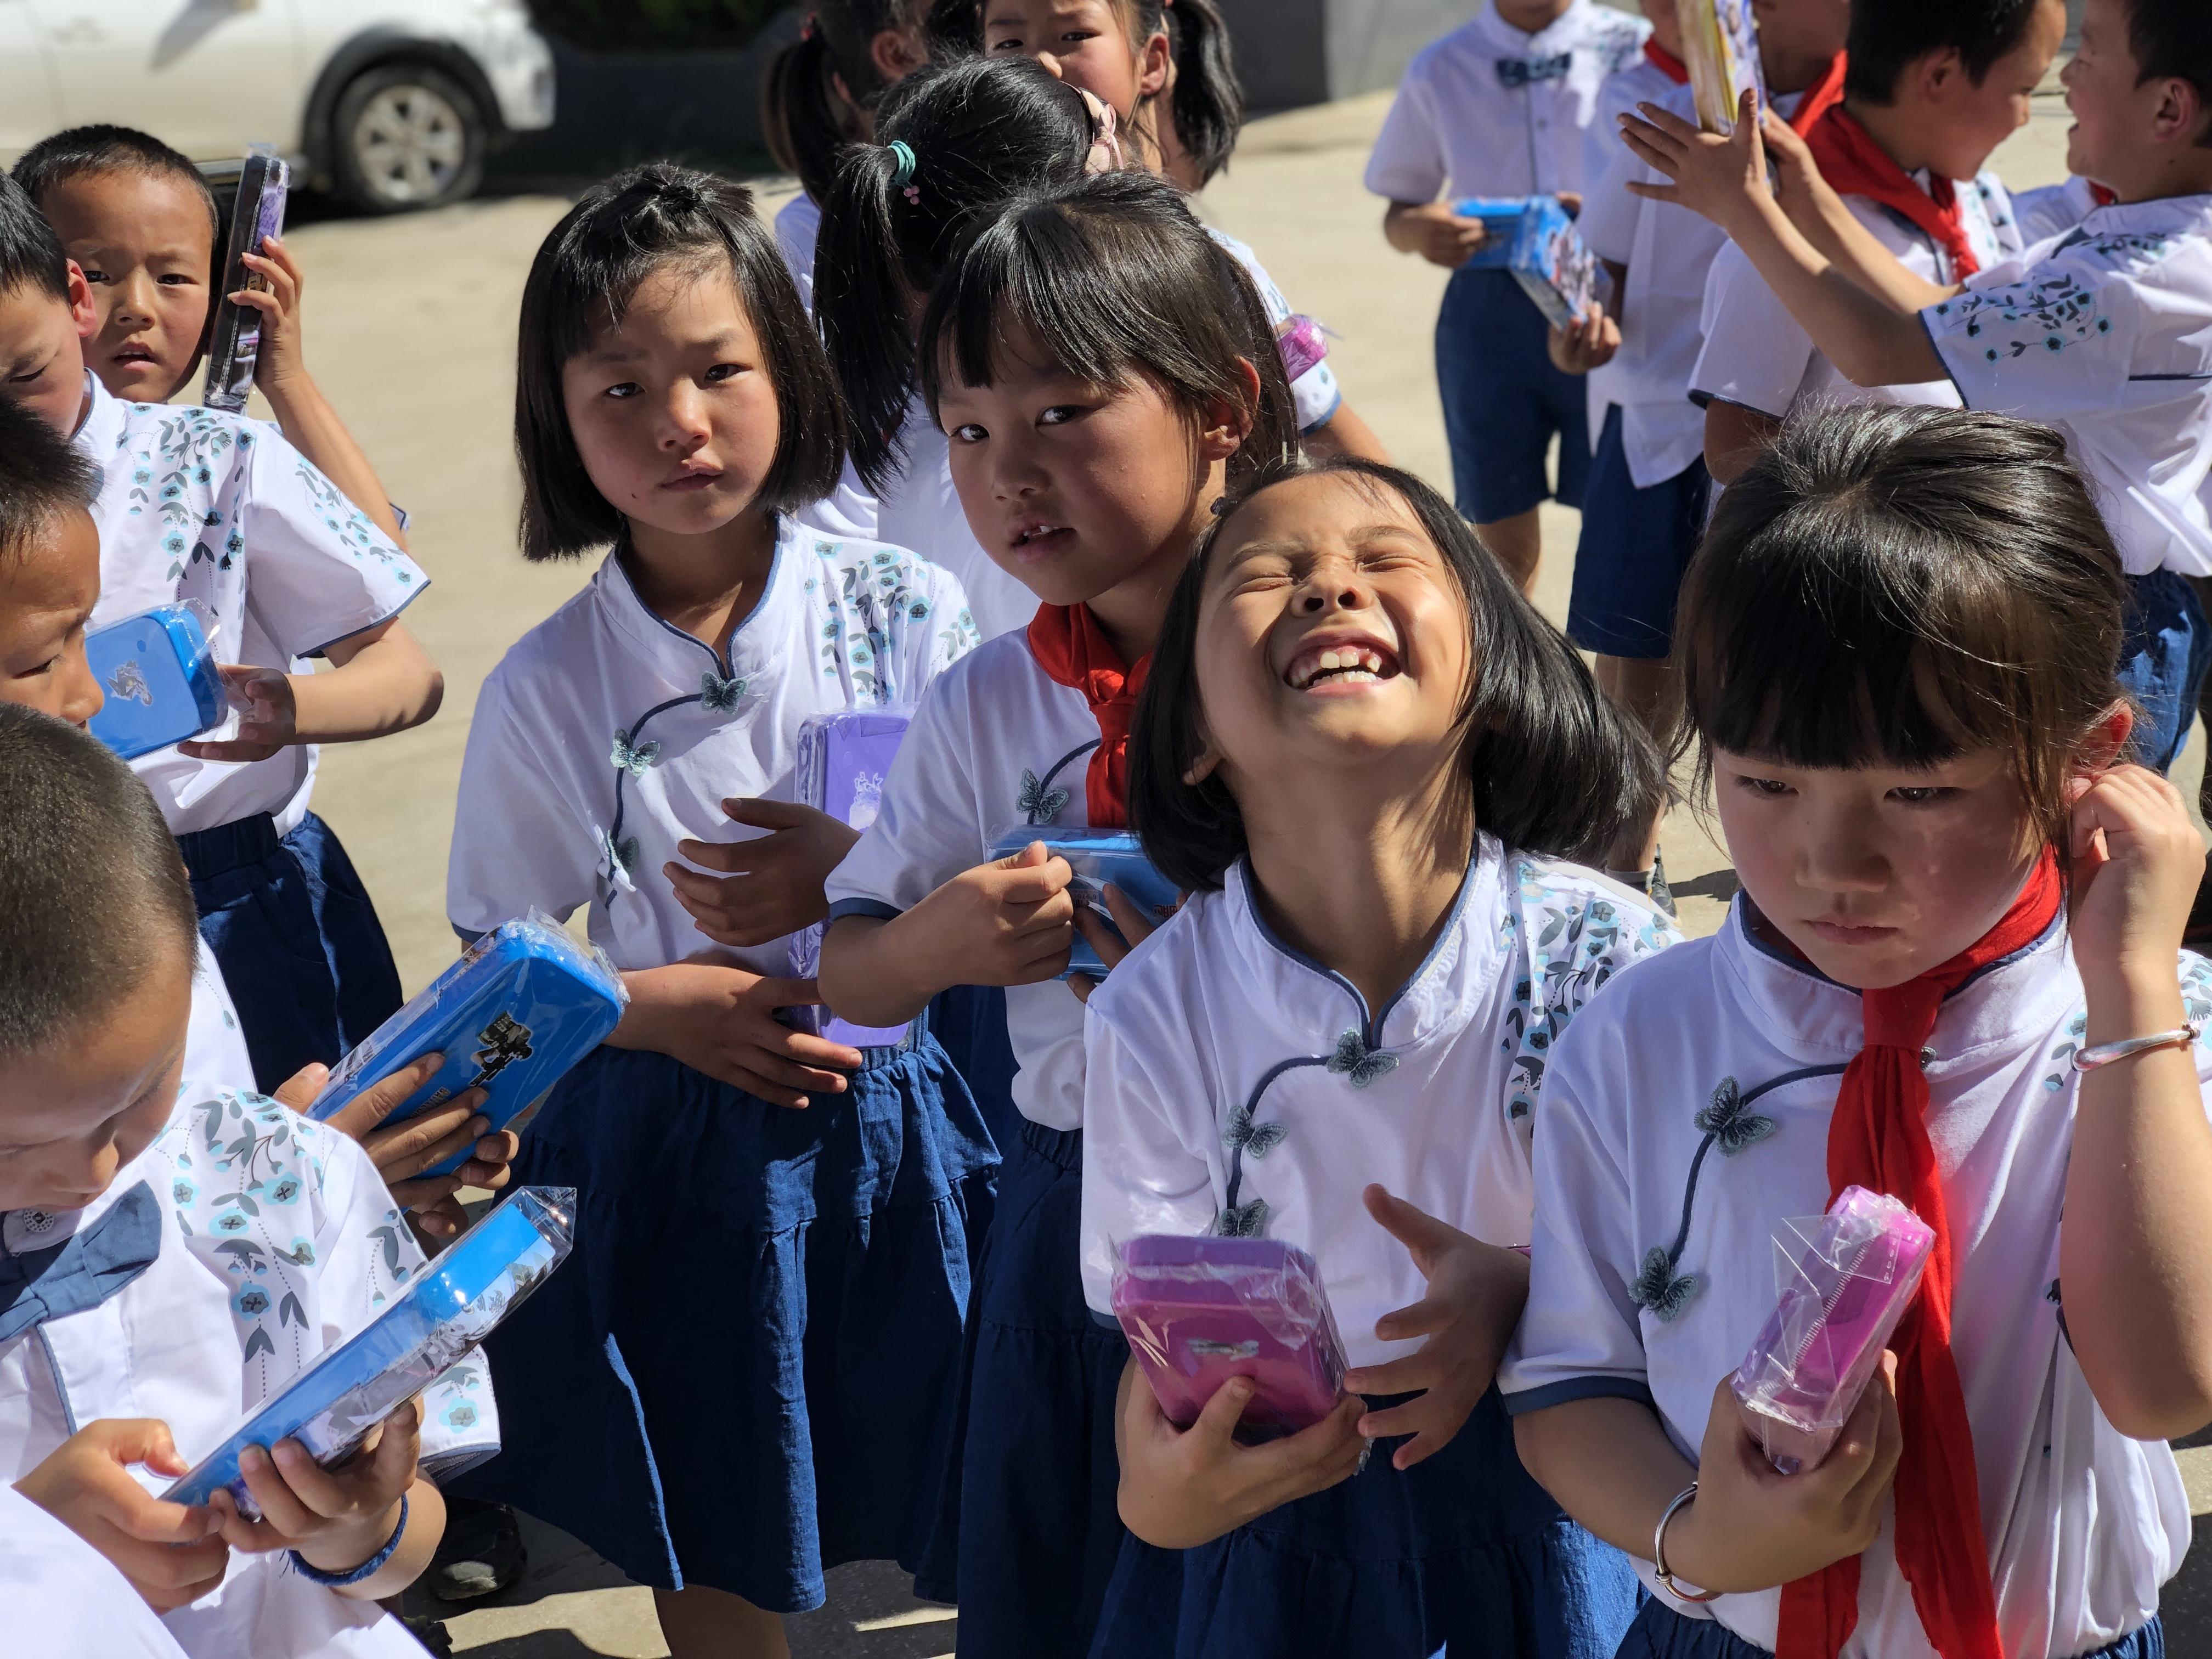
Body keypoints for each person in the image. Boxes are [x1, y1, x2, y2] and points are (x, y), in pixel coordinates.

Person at [1506, 405, 2208, 1659]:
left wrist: (2133, 1001)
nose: (1834, 863)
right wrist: (1706, 1539)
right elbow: (1571, 1385)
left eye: (1920, 790)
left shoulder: (2162, 1028)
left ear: (2088, 759)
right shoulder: (1637, 1038)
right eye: (1765, 783)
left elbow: (2165, 1386)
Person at [441, 163, 990, 1659]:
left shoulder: (906, 609)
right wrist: (643, 1010)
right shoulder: (549, 683)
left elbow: (996, 852)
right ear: (557, 420)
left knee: (953, 1464)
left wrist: (865, 883)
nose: (678, 422)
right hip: (668, 1159)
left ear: (792, 370)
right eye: (621, 388)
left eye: (718, 371)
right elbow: (497, 971)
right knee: (712, 1495)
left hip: (897, 1118)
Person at [1071, 454, 1674, 1658]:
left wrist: (1524, 1289)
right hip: (1283, 1522)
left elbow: (1691, 1260)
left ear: (1492, 676)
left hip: (1579, 1484)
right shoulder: (1152, 1010)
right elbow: (1156, 1336)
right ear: (1189, 733)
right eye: (1267, 575)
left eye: (1383, 560)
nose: (1328, 588)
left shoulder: (1615, 956)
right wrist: (1160, 1495)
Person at [817, 170, 1299, 1658]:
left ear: (1221, 409)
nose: (1009, 474)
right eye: (968, 431)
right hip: (1082, 1201)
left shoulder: (1329, 656)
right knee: (1090, 1575)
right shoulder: (982, 703)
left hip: (1314, 1182)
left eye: (1063, 413)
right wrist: (940, 945)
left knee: (1290, 1565)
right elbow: (852, 965)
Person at [0, 702, 490, 1658]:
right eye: (13, 1147)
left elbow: (407, 1542)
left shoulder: (281, 1178)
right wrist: (30, 1551)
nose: (92, 1169)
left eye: (138, 1095)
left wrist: (357, 1524)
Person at [1622, 0, 2212, 776]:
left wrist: (1746, 207)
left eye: (2090, 53)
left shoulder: (2135, 281)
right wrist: (1804, 200)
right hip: (2049, 591)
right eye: (2033, 78)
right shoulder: (2142, 246)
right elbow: (1944, 314)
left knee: (2059, 839)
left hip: (2098, 613)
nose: (2065, 80)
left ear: (2169, 108)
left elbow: (1883, 347)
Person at [0, 392, 512, 1245]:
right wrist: (294, 1180)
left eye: (88, 639)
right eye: (42, 660)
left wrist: (304, 1162)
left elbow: (186, 1138)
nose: (91, 694)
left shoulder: (114, 872)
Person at [0, 175, 442, 1095]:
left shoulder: (219, 463)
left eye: (22, 378)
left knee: (310, 1152)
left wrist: (291, 708)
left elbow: (404, 667)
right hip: (32, 926)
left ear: (72, 303)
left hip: (239, 904)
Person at [1553, 0, 1852, 912]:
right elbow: (1596, 256)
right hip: (1661, 416)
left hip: (1804, 441)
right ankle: (1625, 856)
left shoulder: (1860, 124)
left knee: (1786, 657)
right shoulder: (1672, 108)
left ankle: (1795, 868)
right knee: (1637, 648)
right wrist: (1584, 319)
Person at [956, 0, 1391, 465]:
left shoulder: (1209, 269)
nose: (1041, 63)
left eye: (1074, 36)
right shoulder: (958, 271)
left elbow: (1339, 442)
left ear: (1152, 62)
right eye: (1009, 42)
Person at [1687, 0, 2067, 483]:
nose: (2026, 117)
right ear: (1940, 76)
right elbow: (1734, 446)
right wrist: (1897, 499)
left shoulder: (1977, 198)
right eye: (2024, 89)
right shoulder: (1781, 231)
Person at [1364, 0, 1651, 592]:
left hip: (1609, 297)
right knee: (1499, 525)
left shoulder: (1635, 47)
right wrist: (1419, 231)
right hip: (1487, 313)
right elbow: (1400, 209)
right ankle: (1513, 650)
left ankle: (1601, 655)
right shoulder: (1442, 66)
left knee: (1617, 518)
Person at [12, 125, 408, 548]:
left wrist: (287, 379)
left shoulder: (222, 457)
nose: (138, 308)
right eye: (93, 276)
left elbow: (383, 558)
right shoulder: (14, 470)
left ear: (219, 307)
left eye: (173, 278)